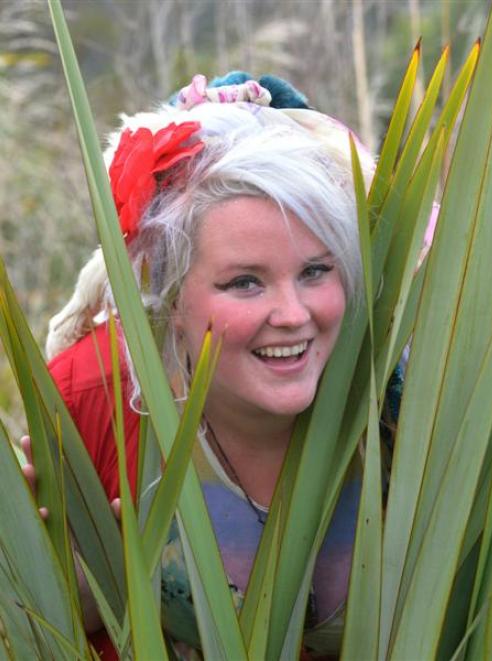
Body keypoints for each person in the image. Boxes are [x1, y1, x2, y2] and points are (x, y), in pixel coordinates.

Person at [25, 72, 380, 660]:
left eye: (316, 271)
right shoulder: (90, 402)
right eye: (245, 282)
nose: (293, 315)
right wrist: (80, 602)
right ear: (170, 301)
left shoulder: (409, 393)